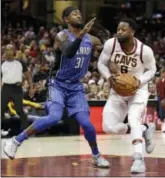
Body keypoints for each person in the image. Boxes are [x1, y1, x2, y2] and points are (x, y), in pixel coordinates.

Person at [3, 6, 109, 168]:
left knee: (87, 125)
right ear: (66, 19)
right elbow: (68, 52)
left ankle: (96, 154)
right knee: (54, 117)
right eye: (74, 14)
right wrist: (81, 36)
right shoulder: (62, 36)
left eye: (80, 14)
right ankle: (16, 140)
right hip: (57, 84)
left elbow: (106, 49)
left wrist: (105, 37)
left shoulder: (91, 39)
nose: (78, 15)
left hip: (75, 87)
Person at [98, 18, 156, 173]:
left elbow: (152, 70)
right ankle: (144, 128)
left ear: (132, 32)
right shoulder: (111, 44)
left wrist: (139, 80)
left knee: (133, 118)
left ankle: (138, 159)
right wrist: (108, 77)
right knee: (108, 127)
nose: (119, 31)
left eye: (124, 29)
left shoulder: (145, 50)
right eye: (118, 29)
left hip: (138, 89)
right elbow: (101, 63)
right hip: (117, 89)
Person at [1, 44, 34, 131]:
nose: (9, 51)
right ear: (5, 52)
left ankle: (26, 130)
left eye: (11, 49)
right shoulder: (2, 63)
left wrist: (31, 87)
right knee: (1, 109)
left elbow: (28, 76)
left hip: (17, 88)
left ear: (14, 51)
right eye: (7, 50)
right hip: (5, 88)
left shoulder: (20, 62)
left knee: (19, 110)